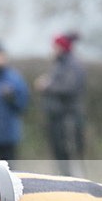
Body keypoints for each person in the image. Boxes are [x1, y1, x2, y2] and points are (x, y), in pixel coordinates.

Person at [35, 32, 86, 176]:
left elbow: (70, 87)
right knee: (60, 155)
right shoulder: (61, 64)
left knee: (70, 153)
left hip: (68, 118)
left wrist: (47, 86)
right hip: (57, 118)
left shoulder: (72, 65)